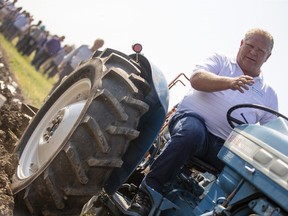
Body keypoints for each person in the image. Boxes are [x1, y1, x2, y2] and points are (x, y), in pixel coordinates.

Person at [130, 28, 278, 215]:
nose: (253, 52)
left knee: (249, 177)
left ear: (268, 57)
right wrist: (230, 83)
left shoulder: (268, 94)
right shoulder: (220, 60)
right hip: (192, 121)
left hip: (224, 147)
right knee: (191, 133)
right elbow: (197, 79)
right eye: (250, 46)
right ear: (241, 44)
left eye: (260, 51)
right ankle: (147, 192)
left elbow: (272, 130)